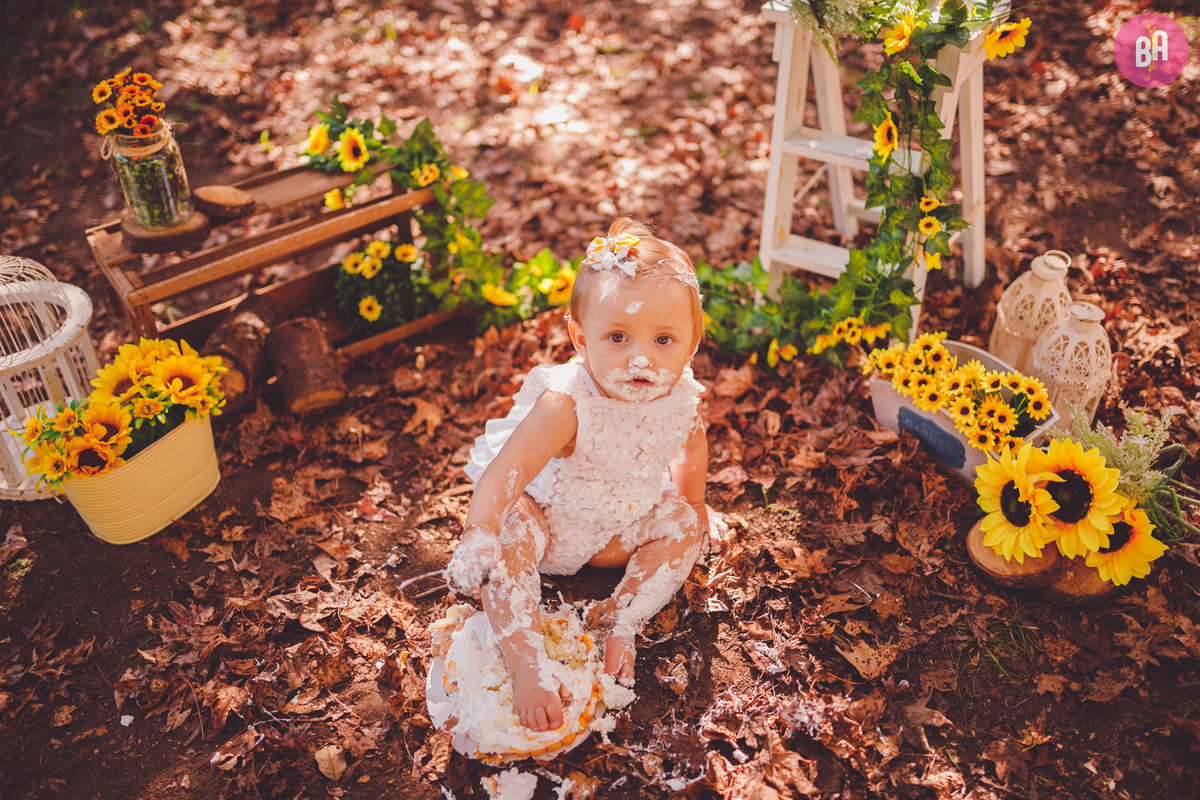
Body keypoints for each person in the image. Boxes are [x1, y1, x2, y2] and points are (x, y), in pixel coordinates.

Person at [445, 218, 709, 734]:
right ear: (580, 338)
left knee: (681, 524)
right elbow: (509, 469)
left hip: (615, 531)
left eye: (663, 339)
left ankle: (622, 618)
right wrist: (480, 530)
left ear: (693, 341)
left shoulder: (682, 398)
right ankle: (525, 661)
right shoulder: (568, 403)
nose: (641, 358)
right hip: (548, 522)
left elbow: (691, 448)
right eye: (617, 336)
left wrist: (694, 504)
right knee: (510, 532)